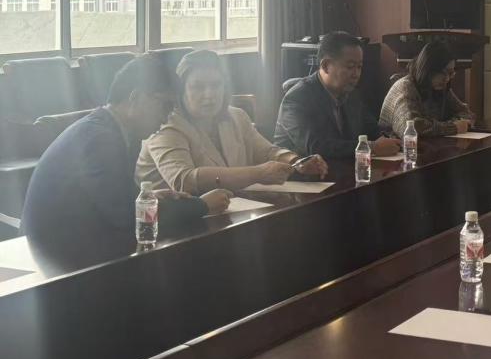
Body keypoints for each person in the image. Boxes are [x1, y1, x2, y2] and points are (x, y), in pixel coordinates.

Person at [21, 54, 231, 249]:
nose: (166, 117)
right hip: (54, 252)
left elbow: (115, 199)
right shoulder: (101, 139)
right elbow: (129, 217)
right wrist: (201, 205)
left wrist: (151, 197)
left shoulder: (111, 129)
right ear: (135, 98)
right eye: (165, 106)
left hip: (76, 240)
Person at [137, 50, 328, 193]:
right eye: (198, 87)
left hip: (229, 210)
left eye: (216, 85)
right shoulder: (164, 125)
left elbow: (266, 152)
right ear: (181, 92)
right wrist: (258, 173)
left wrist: (296, 162)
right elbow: (184, 180)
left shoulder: (236, 116)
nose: (209, 95)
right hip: (167, 223)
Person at [274, 31, 400, 159]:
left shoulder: (351, 94)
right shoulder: (296, 99)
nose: (356, 74)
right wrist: (372, 147)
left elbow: (372, 129)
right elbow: (315, 147)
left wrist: (392, 139)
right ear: (326, 66)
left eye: (359, 67)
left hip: (345, 168)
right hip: (301, 170)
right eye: (350, 67)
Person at [378, 40, 474, 137]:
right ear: (428, 69)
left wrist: (456, 123)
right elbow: (411, 128)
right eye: (444, 72)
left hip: (428, 144)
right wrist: (452, 127)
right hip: (398, 145)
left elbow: (466, 113)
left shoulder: (441, 87)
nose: (447, 79)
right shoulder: (405, 88)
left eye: (451, 73)